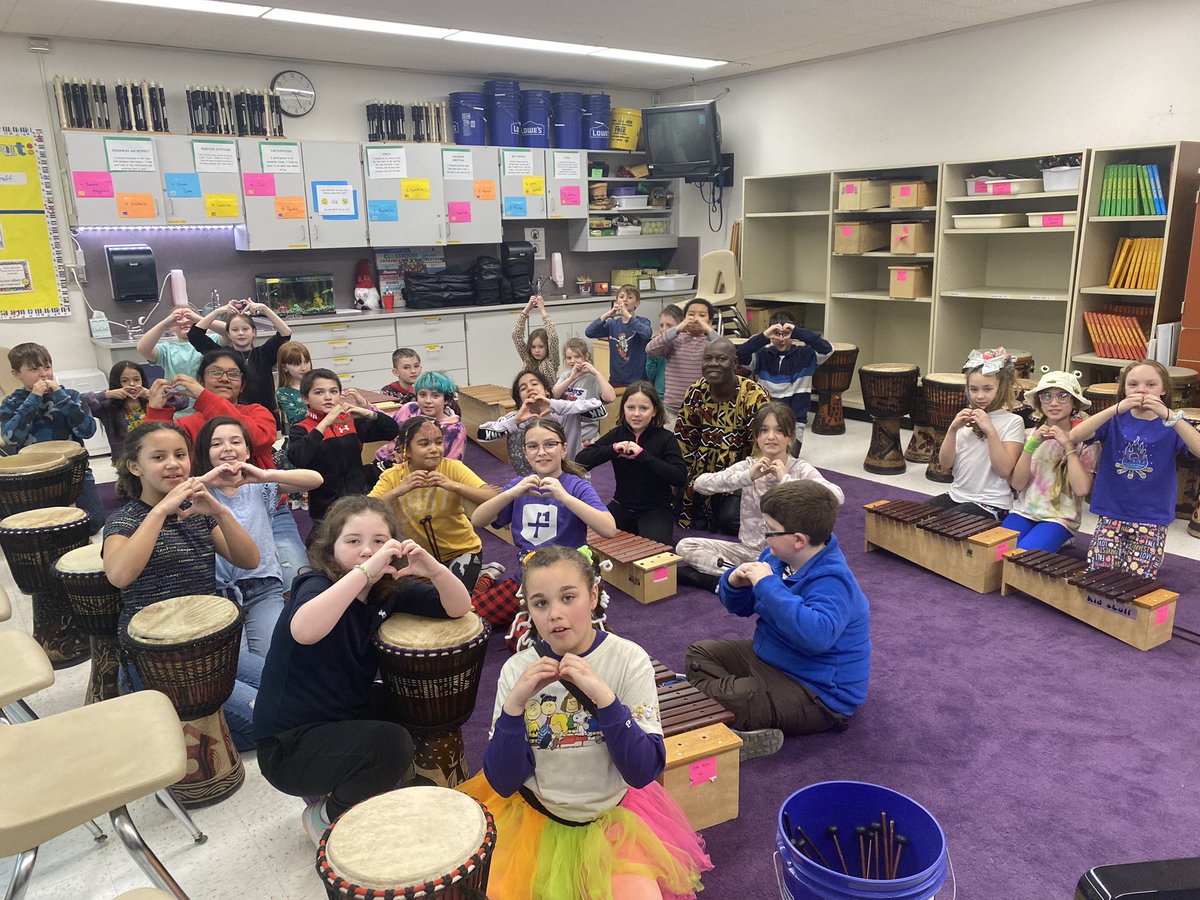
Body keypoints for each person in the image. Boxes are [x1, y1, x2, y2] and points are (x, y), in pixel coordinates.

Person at [459, 545, 713, 899]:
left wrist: (606, 700)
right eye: (540, 603)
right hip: (535, 820)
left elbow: (642, 771)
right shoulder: (517, 670)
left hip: (612, 821)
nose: (555, 615)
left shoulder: (629, 660)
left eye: (568, 597)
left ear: (593, 595)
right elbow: (503, 781)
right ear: (528, 609)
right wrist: (514, 707)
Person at [253, 495, 472, 845]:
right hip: (289, 747)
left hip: (341, 715)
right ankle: (326, 814)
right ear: (331, 548)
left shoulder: (387, 590)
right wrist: (365, 572)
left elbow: (459, 606)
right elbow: (305, 630)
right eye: (353, 541)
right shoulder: (317, 584)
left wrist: (434, 569)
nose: (368, 551)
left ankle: (384, 783)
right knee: (391, 745)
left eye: (380, 541)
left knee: (410, 698)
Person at [101, 421, 263, 750]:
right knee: (269, 719)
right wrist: (161, 510)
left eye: (180, 454)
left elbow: (249, 560)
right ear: (135, 466)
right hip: (157, 663)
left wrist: (219, 511)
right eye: (158, 457)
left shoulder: (197, 512)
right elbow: (119, 575)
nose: (173, 464)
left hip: (210, 647)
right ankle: (162, 735)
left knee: (288, 688)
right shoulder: (124, 521)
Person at [685, 480, 870, 759]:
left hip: (818, 692)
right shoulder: (775, 558)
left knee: (713, 698)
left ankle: (726, 712)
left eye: (769, 529)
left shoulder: (834, 580)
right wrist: (733, 583)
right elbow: (742, 607)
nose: (764, 536)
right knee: (698, 655)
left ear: (798, 540)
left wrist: (768, 586)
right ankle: (732, 714)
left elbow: (815, 638)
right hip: (771, 659)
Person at [145, 349, 308, 586]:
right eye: (215, 372)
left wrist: (205, 398)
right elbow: (154, 454)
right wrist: (156, 411)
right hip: (208, 513)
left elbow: (259, 438)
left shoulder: (256, 412)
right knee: (216, 579)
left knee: (295, 578)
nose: (224, 379)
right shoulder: (187, 423)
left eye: (233, 374)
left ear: (243, 385)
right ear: (200, 380)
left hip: (268, 509)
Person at [676, 403, 845, 591]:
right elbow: (700, 484)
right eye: (764, 430)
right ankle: (748, 577)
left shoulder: (799, 469)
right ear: (757, 437)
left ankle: (734, 580)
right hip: (748, 552)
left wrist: (786, 480)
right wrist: (746, 477)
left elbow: (836, 497)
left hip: (786, 557)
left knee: (808, 570)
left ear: (790, 437)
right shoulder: (749, 466)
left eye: (779, 431)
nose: (771, 437)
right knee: (685, 546)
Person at [469, 418, 617, 630]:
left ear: (563, 449)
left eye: (550, 444)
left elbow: (609, 529)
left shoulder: (576, 486)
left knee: (561, 635)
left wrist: (565, 497)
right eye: (533, 446)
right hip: (528, 579)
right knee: (470, 615)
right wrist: (511, 494)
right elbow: (478, 520)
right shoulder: (519, 485)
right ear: (525, 452)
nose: (541, 452)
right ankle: (487, 580)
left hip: (568, 581)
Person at [193, 415, 323, 654]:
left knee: (272, 653)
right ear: (205, 452)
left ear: (247, 452)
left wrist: (266, 474)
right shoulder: (199, 493)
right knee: (236, 661)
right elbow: (170, 499)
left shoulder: (259, 485)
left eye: (235, 442)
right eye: (216, 443)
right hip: (218, 592)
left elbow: (315, 480)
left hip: (263, 586)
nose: (227, 448)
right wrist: (202, 481)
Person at [1070, 359, 1200, 578]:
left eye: (1151, 385)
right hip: (1112, 509)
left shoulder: (1173, 424)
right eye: (1133, 385)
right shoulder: (1115, 419)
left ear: (1164, 389)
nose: (1141, 390)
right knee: (1099, 574)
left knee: (1137, 579)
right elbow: (1075, 435)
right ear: (1124, 389)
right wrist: (1116, 408)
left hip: (1152, 515)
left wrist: (1170, 415)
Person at [369, 416, 498, 589]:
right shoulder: (393, 476)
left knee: (454, 594)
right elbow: (365, 509)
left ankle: (480, 574)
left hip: (461, 551)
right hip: (415, 557)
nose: (434, 449)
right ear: (407, 450)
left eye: (438, 442)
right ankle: (481, 575)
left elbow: (491, 497)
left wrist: (454, 486)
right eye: (424, 444)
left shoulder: (453, 467)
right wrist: (399, 490)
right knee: (420, 598)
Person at [1, 342, 106, 533]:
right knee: (34, 528)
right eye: (34, 369)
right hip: (33, 476)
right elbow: (11, 439)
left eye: (47, 367)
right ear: (17, 374)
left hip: (75, 472)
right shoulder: (11, 402)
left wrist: (61, 397)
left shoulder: (71, 396)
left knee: (94, 522)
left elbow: (88, 431)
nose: (43, 374)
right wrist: (33, 399)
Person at [676, 337, 769, 533]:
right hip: (702, 471)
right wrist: (679, 477)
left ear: (735, 364)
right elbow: (684, 440)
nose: (713, 363)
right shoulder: (696, 392)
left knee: (729, 519)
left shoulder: (754, 396)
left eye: (721, 359)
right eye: (707, 358)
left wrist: (743, 480)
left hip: (741, 474)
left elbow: (762, 450)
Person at [577, 381, 687, 545]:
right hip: (622, 505)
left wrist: (643, 455)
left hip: (655, 509)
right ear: (623, 409)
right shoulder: (617, 435)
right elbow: (581, 461)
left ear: (654, 411)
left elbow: (679, 477)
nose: (636, 414)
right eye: (631, 408)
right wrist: (613, 449)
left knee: (652, 550)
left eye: (643, 408)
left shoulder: (666, 438)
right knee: (590, 541)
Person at [1002, 371, 1098, 553]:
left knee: (1023, 555)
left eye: (1063, 396)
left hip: (1060, 519)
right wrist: (1029, 447)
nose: (1054, 403)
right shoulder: (1030, 436)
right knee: (997, 551)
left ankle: (1064, 538)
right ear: (1039, 402)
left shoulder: (1086, 443)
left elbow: (1082, 490)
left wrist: (1068, 447)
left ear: (1074, 403)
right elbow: (1017, 484)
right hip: (1024, 512)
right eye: (1047, 396)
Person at [286, 368, 399, 522]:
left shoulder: (350, 420)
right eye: (319, 392)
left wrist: (369, 413)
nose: (328, 397)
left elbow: (392, 431)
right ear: (305, 398)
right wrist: (324, 424)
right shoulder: (301, 429)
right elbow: (298, 458)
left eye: (333, 391)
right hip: (325, 510)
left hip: (359, 502)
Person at [931, 348, 1025, 520]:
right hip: (957, 495)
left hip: (992, 503)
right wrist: (952, 429)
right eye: (974, 389)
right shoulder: (966, 417)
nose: (980, 396)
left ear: (1001, 388)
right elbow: (945, 463)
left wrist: (990, 431)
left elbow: (1004, 470)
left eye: (987, 389)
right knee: (916, 519)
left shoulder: (1013, 421)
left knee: (942, 524)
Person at [478, 370, 606, 478]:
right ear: (519, 398)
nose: (530, 388)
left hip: (571, 480)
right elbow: (482, 434)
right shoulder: (515, 418)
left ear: (547, 391)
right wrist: (515, 421)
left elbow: (600, 410)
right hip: (533, 484)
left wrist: (554, 405)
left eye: (534, 384)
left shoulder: (565, 411)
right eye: (523, 388)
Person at [735, 311, 832, 453]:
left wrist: (798, 332)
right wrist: (764, 336)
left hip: (795, 419)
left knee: (790, 456)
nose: (781, 339)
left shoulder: (806, 355)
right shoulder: (762, 355)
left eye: (786, 334)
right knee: (765, 457)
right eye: (776, 334)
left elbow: (827, 349)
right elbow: (740, 354)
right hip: (766, 418)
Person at [189, 298, 293, 413]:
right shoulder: (222, 356)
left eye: (245, 329)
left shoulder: (264, 353)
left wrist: (265, 309)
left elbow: (285, 333)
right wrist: (217, 312)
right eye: (235, 330)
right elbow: (195, 335)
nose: (241, 333)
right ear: (228, 334)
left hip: (264, 413)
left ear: (254, 332)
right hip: (230, 413)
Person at [136, 305, 224, 418]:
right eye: (178, 319)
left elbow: (228, 331)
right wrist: (166, 323)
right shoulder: (167, 350)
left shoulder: (213, 341)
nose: (184, 322)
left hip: (211, 409)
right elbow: (142, 348)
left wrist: (199, 319)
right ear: (171, 327)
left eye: (189, 318)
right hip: (179, 413)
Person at [83, 360, 182, 460]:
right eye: (124, 381)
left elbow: (181, 402)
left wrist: (150, 394)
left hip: (157, 455)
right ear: (117, 382)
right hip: (124, 460)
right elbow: (82, 403)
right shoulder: (108, 405)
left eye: (136, 379)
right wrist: (106, 394)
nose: (132, 384)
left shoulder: (153, 400)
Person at [646, 298, 720, 428]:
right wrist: (678, 328)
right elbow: (650, 349)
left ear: (710, 322)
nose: (696, 318)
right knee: (670, 439)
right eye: (691, 314)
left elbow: (726, 350)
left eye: (702, 315)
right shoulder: (674, 341)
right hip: (672, 408)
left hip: (702, 408)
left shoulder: (711, 343)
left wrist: (708, 330)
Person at [375, 370, 467, 468]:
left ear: (446, 400)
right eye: (423, 395)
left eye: (435, 396)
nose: (427, 401)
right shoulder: (410, 409)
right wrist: (368, 408)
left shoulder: (456, 429)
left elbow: (452, 466)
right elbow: (386, 420)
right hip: (384, 462)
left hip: (420, 473)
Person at [584, 284, 653, 388]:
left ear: (637, 303)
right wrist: (607, 315)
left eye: (630, 297)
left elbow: (647, 334)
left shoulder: (642, 321)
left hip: (637, 380)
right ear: (616, 301)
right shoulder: (612, 324)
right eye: (621, 297)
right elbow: (589, 332)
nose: (625, 300)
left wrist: (628, 316)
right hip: (616, 379)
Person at [552, 338, 616, 446]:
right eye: (569, 358)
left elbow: (611, 397)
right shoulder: (566, 376)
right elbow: (552, 396)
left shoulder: (593, 378)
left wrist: (596, 373)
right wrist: (571, 379)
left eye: (577, 357)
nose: (572, 361)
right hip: (566, 435)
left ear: (585, 356)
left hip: (587, 438)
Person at [645, 304, 682, 427]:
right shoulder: (657, 346)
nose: (664, 329)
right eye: (661, 325)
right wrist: (652, 355)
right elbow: (651, 374)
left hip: (678, 400)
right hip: (661, 398)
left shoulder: (682, 345)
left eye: (669, 326)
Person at [512, 294, 560, 382]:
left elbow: (553, 337)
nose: (536, 351)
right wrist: (526, 310)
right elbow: (516, 335)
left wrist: (542, 309)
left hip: (547, 391)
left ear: (548, 347)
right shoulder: (528, 358)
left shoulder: (551, 360)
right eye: (533, 347)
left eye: (541, 347)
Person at [275, 341, 313, 431]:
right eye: (297, 364)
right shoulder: (283, 392)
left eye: (306, 362)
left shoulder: (317, 384)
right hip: (302, 434)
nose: (304, 368)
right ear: (284, 367)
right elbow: (296, 416)